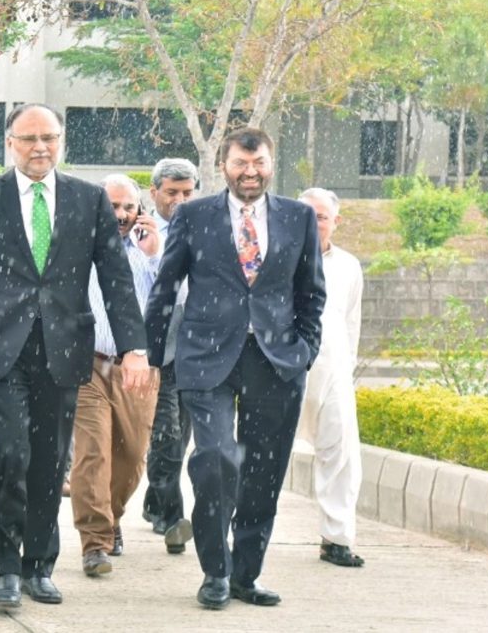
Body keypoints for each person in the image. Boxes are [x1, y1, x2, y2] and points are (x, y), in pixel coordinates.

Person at [0, 103, 151, 609]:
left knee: (50, 464)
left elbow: (117, 279)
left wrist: (133, 348)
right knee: (9, 454)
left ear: (61, 142)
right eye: (29, 138)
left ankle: (39, 564)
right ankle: (6, 567)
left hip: (64, 347)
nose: (39, 148)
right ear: (10, 143)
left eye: (49, 138)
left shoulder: (88, 199)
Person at [145, 127, 325, 610]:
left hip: (277, 361)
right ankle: (215, 572)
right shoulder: (193, 215)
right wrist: (151, 356)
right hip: (207, 360)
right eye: (241, 164)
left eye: (259, 163)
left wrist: (305, 350)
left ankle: (247, 574)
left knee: (263, 473)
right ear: (223, 165)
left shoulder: (299, 217)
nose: (250, 172)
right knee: (217, 461)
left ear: (271, 162)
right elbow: (165, 289)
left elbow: (311, 292)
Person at [70, 174, 161, 577]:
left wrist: (154, 255)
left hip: (137, 369)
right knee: (93, 453)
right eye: (112, 206)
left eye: (128, 207)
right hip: (87, 364)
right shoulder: (74, 246)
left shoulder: (149, 253)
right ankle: (94, 543)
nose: (120, 215)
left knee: (131, 456)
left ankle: (112, 517)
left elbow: (174, 303)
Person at [298, 188, 365, 568]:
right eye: (306, 215)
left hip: (334, 369)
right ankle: (244, 535)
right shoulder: (276, 258)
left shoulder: (349, 266)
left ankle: (336, 539)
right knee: (259, 455)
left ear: (335, 222)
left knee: (341, 454)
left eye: (321, 217)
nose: (314, 223)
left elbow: (350, 322)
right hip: (285, 367)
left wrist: (347, 369)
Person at [142, 158, 198, 553]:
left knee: (183, 434)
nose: (179, 200)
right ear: (154, 192)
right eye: (172, 193)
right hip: (153, 346)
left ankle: (153, 501)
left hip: (194, 346)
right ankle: (172, 517)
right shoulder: (138, 231)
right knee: (167, 434)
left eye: (187, 193)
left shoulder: (204, 227)